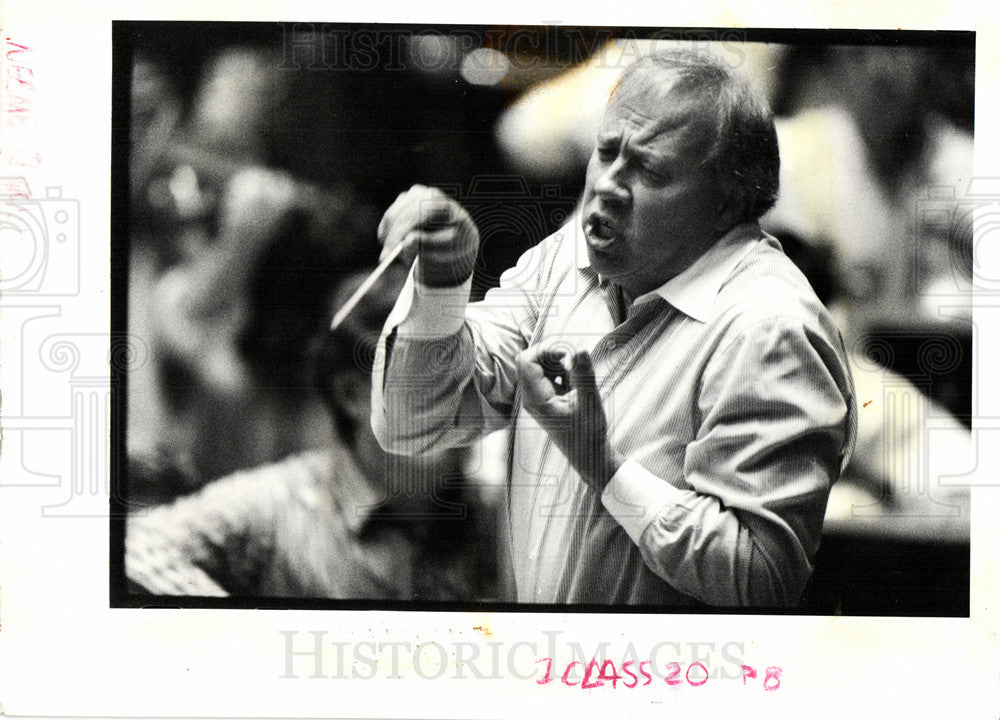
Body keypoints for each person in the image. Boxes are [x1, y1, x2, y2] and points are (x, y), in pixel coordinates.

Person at [371, 50, 857, 607]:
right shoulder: (570, 258)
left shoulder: (770, 329)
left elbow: (759, 578)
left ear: (727, 202)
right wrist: (442, 283)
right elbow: (412, 421)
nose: (607, 186)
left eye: (648, 169)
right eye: (605, 153)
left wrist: (603, 467)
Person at [126, 265, 497, 600]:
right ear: (353, 395)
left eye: (468, 379)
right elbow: (137, 549)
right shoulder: (278, 506)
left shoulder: (492, 510)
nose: (465, 407)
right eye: (428, 386)